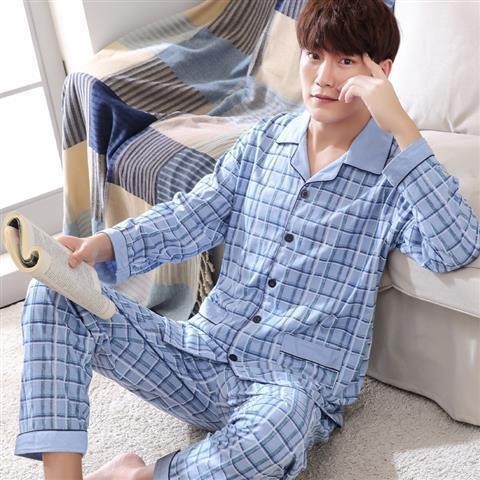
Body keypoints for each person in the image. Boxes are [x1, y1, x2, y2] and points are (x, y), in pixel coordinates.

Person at [14, 0, 480, 479]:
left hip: (289, 386)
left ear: (381, 73)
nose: (323, 77)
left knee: (277, 436)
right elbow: (193, 215)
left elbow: (457, 247)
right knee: (54, 291)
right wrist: (102, 245)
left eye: (345, 61)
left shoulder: (397, 173)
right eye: (314, 55)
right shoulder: (266, 140)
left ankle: (138, 476)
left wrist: (401, 126)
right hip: (202, 350)